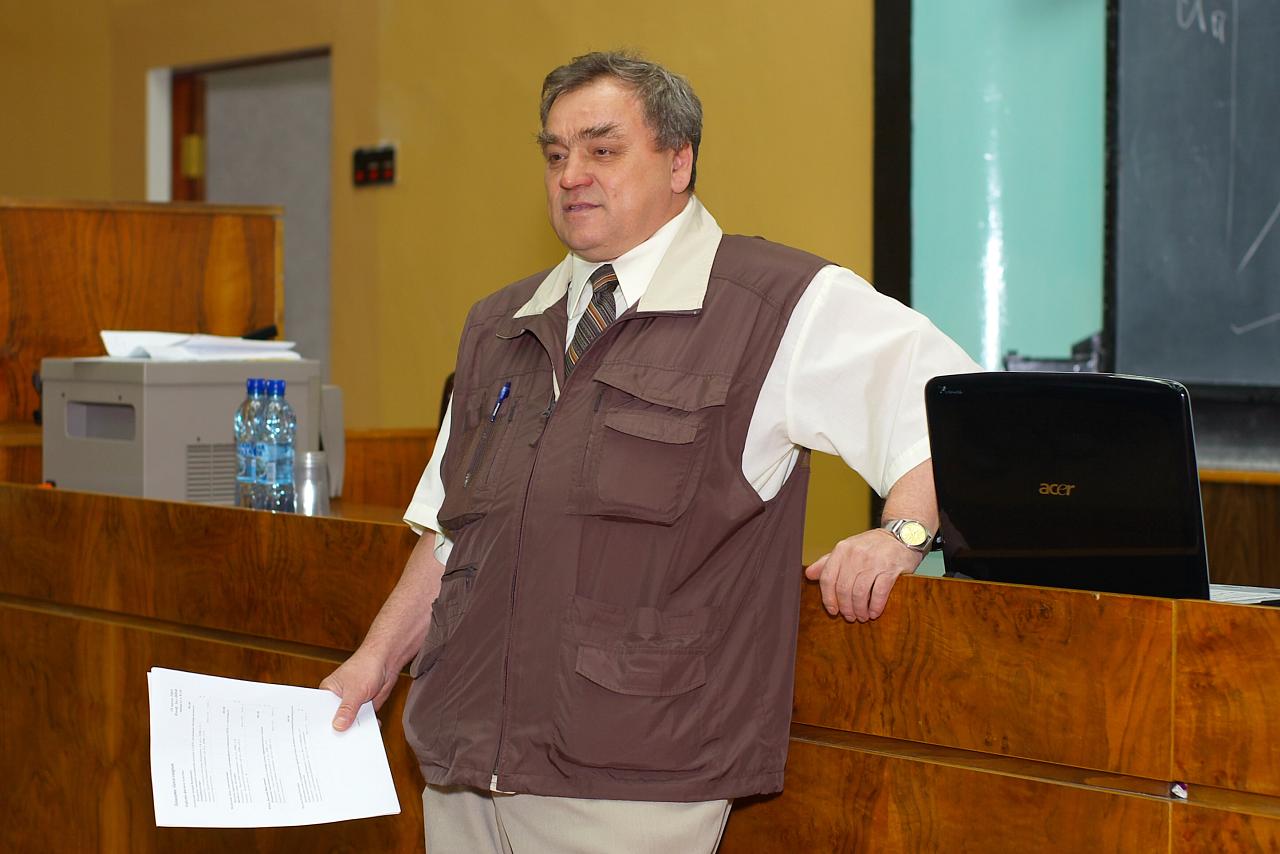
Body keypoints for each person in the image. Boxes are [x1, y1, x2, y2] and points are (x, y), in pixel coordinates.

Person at [322, 50, 980, 853]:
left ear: (679, 161)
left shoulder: (775, 303)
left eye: (602, 149)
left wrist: (903, 533)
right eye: (555, 155)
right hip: (462, 762)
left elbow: (955, 413)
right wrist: (374, 661)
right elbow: (452, 533)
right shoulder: (501, 324)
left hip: (633, 778)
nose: (571, 176)